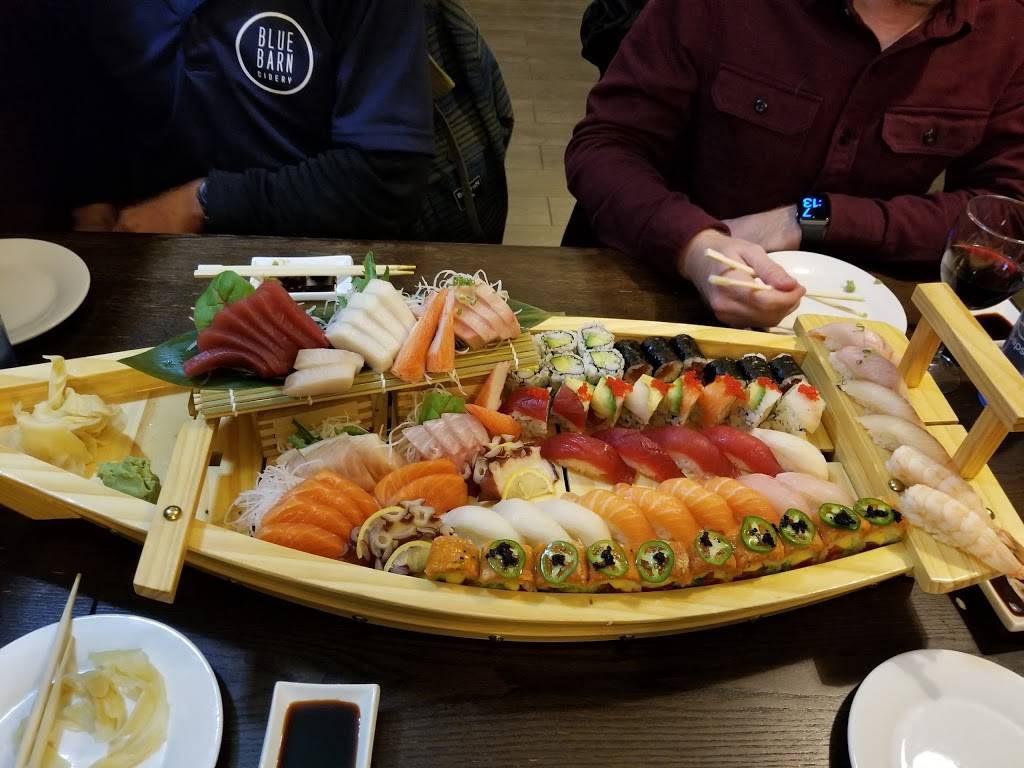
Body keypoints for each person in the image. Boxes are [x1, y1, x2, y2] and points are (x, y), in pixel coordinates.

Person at [564, 0, 1024, 327]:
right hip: (657, 294)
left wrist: (811, 218)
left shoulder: (1006, 29)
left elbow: (1006, 211)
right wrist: (694, 246)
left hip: (850, 323)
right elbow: (606, 146)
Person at [70, 1, 434, 238]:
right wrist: (93, 198)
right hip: (141, 251)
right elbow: (90, 99)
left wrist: (203, 203)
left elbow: (388, 181)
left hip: (310, 256)